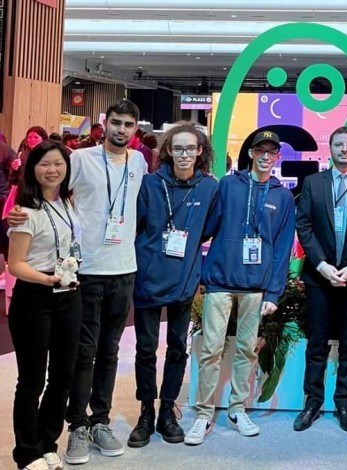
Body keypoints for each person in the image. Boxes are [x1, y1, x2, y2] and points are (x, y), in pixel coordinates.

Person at [6, 100, 149, 465]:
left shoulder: (139, 162)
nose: (121, 129)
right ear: (105, 124)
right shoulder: (80, 159)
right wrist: (14, 215)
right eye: (115, 122)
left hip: (123, 269)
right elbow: (41, 195)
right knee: (79, 357)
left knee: (108, 352)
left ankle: (98, 420)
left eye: (128, 124)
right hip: (81, 275)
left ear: (136, 129)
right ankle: (78, 424)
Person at [184, 130, 295, 445]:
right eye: (260, 150)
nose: (265, 156)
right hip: (220, 280)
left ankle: (237, 409)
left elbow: (282, 247)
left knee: (247, 349)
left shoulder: (282, 196)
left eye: (271, 152)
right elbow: (209, 227)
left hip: (255, 286)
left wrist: (274, 292)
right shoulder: (229, 185)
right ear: (251, 153)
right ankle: (204, 414)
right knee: (211, 349)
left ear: (277, 157)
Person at [127, 123, 219, 448]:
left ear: (200, 152)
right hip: (148, 278)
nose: (183, 154)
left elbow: (208, 230)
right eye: (177, 148)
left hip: (184, 281)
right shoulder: (150, 184)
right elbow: (134, 226)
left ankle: (167, 411)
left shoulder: (209, 189)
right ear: (168, 151)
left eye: (190, 149)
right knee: (146, 349)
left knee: (178, 349)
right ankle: (146, 412)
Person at [294, 126, 347, 432]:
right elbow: (303, 225)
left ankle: (344, 401)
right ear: (329, 147)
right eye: (339, 144)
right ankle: (312, 402)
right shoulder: (313, 183)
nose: (344, 149)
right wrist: (321, 265)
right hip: (320, 277)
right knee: (316, 342)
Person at [7, 140, 82, 470]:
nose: (52, 170)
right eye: (44, 164)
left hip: (70, 294)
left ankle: (47, 441)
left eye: (58, 164)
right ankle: (26, 453)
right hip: (35, 298)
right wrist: (49, 278)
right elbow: (15, 264)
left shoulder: (67, 202)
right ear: (32, 169)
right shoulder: (25, 211)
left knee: (63, 376)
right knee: (32, 380)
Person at [4, 127, 49, 220]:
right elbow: (13, 180)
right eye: (29, 137)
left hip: (42, 196)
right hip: (23, 196)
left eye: (35, 137)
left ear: (43, 139)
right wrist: (14, 169)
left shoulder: (49, 155)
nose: (31, 140)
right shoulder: (22, 154)